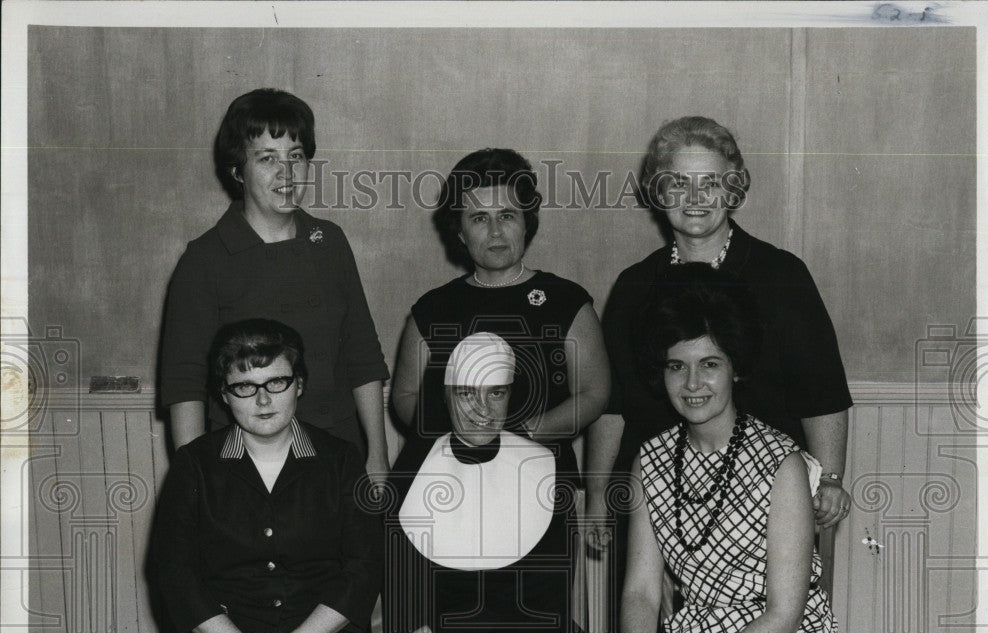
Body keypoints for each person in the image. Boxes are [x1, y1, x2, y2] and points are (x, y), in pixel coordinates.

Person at [570, 267, 840, 633]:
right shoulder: (651, 458)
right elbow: (640, 593)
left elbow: (785, 613)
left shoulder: (779, 462)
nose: (692, 384)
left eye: (709, 363)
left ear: (736, 368)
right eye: (676, 366)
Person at [587, 115, 852, 551]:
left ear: (733, 190)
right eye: (677, 183)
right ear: (658, 192)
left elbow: (821, 391)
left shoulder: (782, 275)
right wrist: (598, 494)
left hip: (764, 502)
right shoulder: (635, 286)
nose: (694, 198)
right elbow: (612, 404)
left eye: (710, 183)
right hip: (655, 504)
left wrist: (831, 479)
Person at [353, 333, 599, 633]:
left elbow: (544, 600)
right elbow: (406, 604)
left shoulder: (545, 468)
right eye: (467, 393)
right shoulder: (412, 474)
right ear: (446, 397)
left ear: (512, 395)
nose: (482, 410)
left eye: (496, 393)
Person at [154, 319, 382, 633]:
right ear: (223, 394)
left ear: (299, 385)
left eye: (275, 382)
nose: (262, 399)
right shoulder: (194, 466)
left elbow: (364, 569)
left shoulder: (341, 459)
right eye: (244, 386)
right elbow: (176, 575)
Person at [160, 88, 390, 488]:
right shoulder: (204, 260)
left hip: (336, 454)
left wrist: (377, 457)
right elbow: (185, 384)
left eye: (296, 156)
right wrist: (197, 485)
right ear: (237, 170)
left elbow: (363, 356)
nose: (287, 174)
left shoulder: (329, 242)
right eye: (267, 158)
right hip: (245, 468)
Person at [390, 147, 610, 480]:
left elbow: (594, 393)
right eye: (479, 218)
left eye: (507, 215)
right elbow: (405, 396)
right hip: (446, 472)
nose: (495, 231)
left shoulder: (566, 301)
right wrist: (457, 433)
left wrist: (525, 434)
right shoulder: (433, 308)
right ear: (461, 232)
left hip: (537, 470)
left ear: (526, 223)